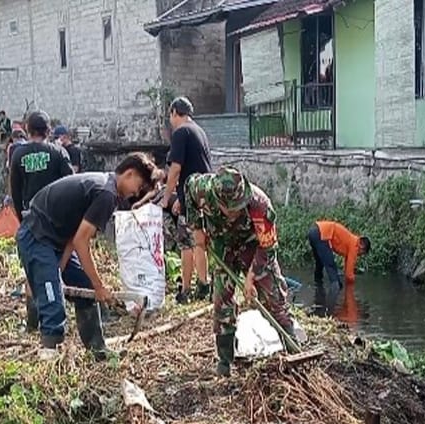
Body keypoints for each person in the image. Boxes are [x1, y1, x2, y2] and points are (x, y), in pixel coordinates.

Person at [16, 153, 157, 359]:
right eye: (139, 185)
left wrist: (62, 268)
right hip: (36, 234)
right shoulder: (106, 193)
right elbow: (82, 242)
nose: (136, 192)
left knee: (83, 285)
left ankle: (97, 349)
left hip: (56, 238)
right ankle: (49, 353)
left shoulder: (106, 186)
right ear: (130, 173)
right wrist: (100, 286)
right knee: (53, 297)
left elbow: (74, 236)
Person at [185, 166, 298, 377]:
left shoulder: (259, 205)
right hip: (222, 245)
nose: (236, 211)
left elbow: (268, 247)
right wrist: (197, 228)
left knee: (275, 297)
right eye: (231, 208)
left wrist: (251, 277)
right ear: (218, 201)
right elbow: (188, 187)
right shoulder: (202, 188)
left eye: (239, 206)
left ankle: (292, 348)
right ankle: (225, 361)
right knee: (222, 301)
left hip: (254, 248)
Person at [10, 111, 75, 332]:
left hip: (31, 218)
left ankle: (32, 320)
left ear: (28, 130)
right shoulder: (58, 153)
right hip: (57, 219)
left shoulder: (18, 155)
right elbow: (70, 186)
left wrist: (22, 219)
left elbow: (15, 192)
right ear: (48, 131)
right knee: (61, 264)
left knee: (34, 270)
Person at [160, 96, 212, 304]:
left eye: (170, 115)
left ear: (174, 112)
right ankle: (203, 284)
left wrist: (166, 197)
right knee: (199, 242)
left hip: (192, 193)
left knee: (185, 244)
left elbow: (175, 169)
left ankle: (186, 289)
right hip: (204, 194)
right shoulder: (199, 130)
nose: (170, 120)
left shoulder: (180, 132)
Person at [307, 220, 370, 289]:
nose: (359, 255)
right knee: (331, 265)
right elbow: (349, 274)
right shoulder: (355, 246)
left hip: (314, 230)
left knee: (320, 262)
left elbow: (347, 265)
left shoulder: (351, 240)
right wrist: (351, 288)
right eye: (361, 253)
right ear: (362, 246)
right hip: (321, 234)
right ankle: (335, 289)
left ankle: (318, 286)